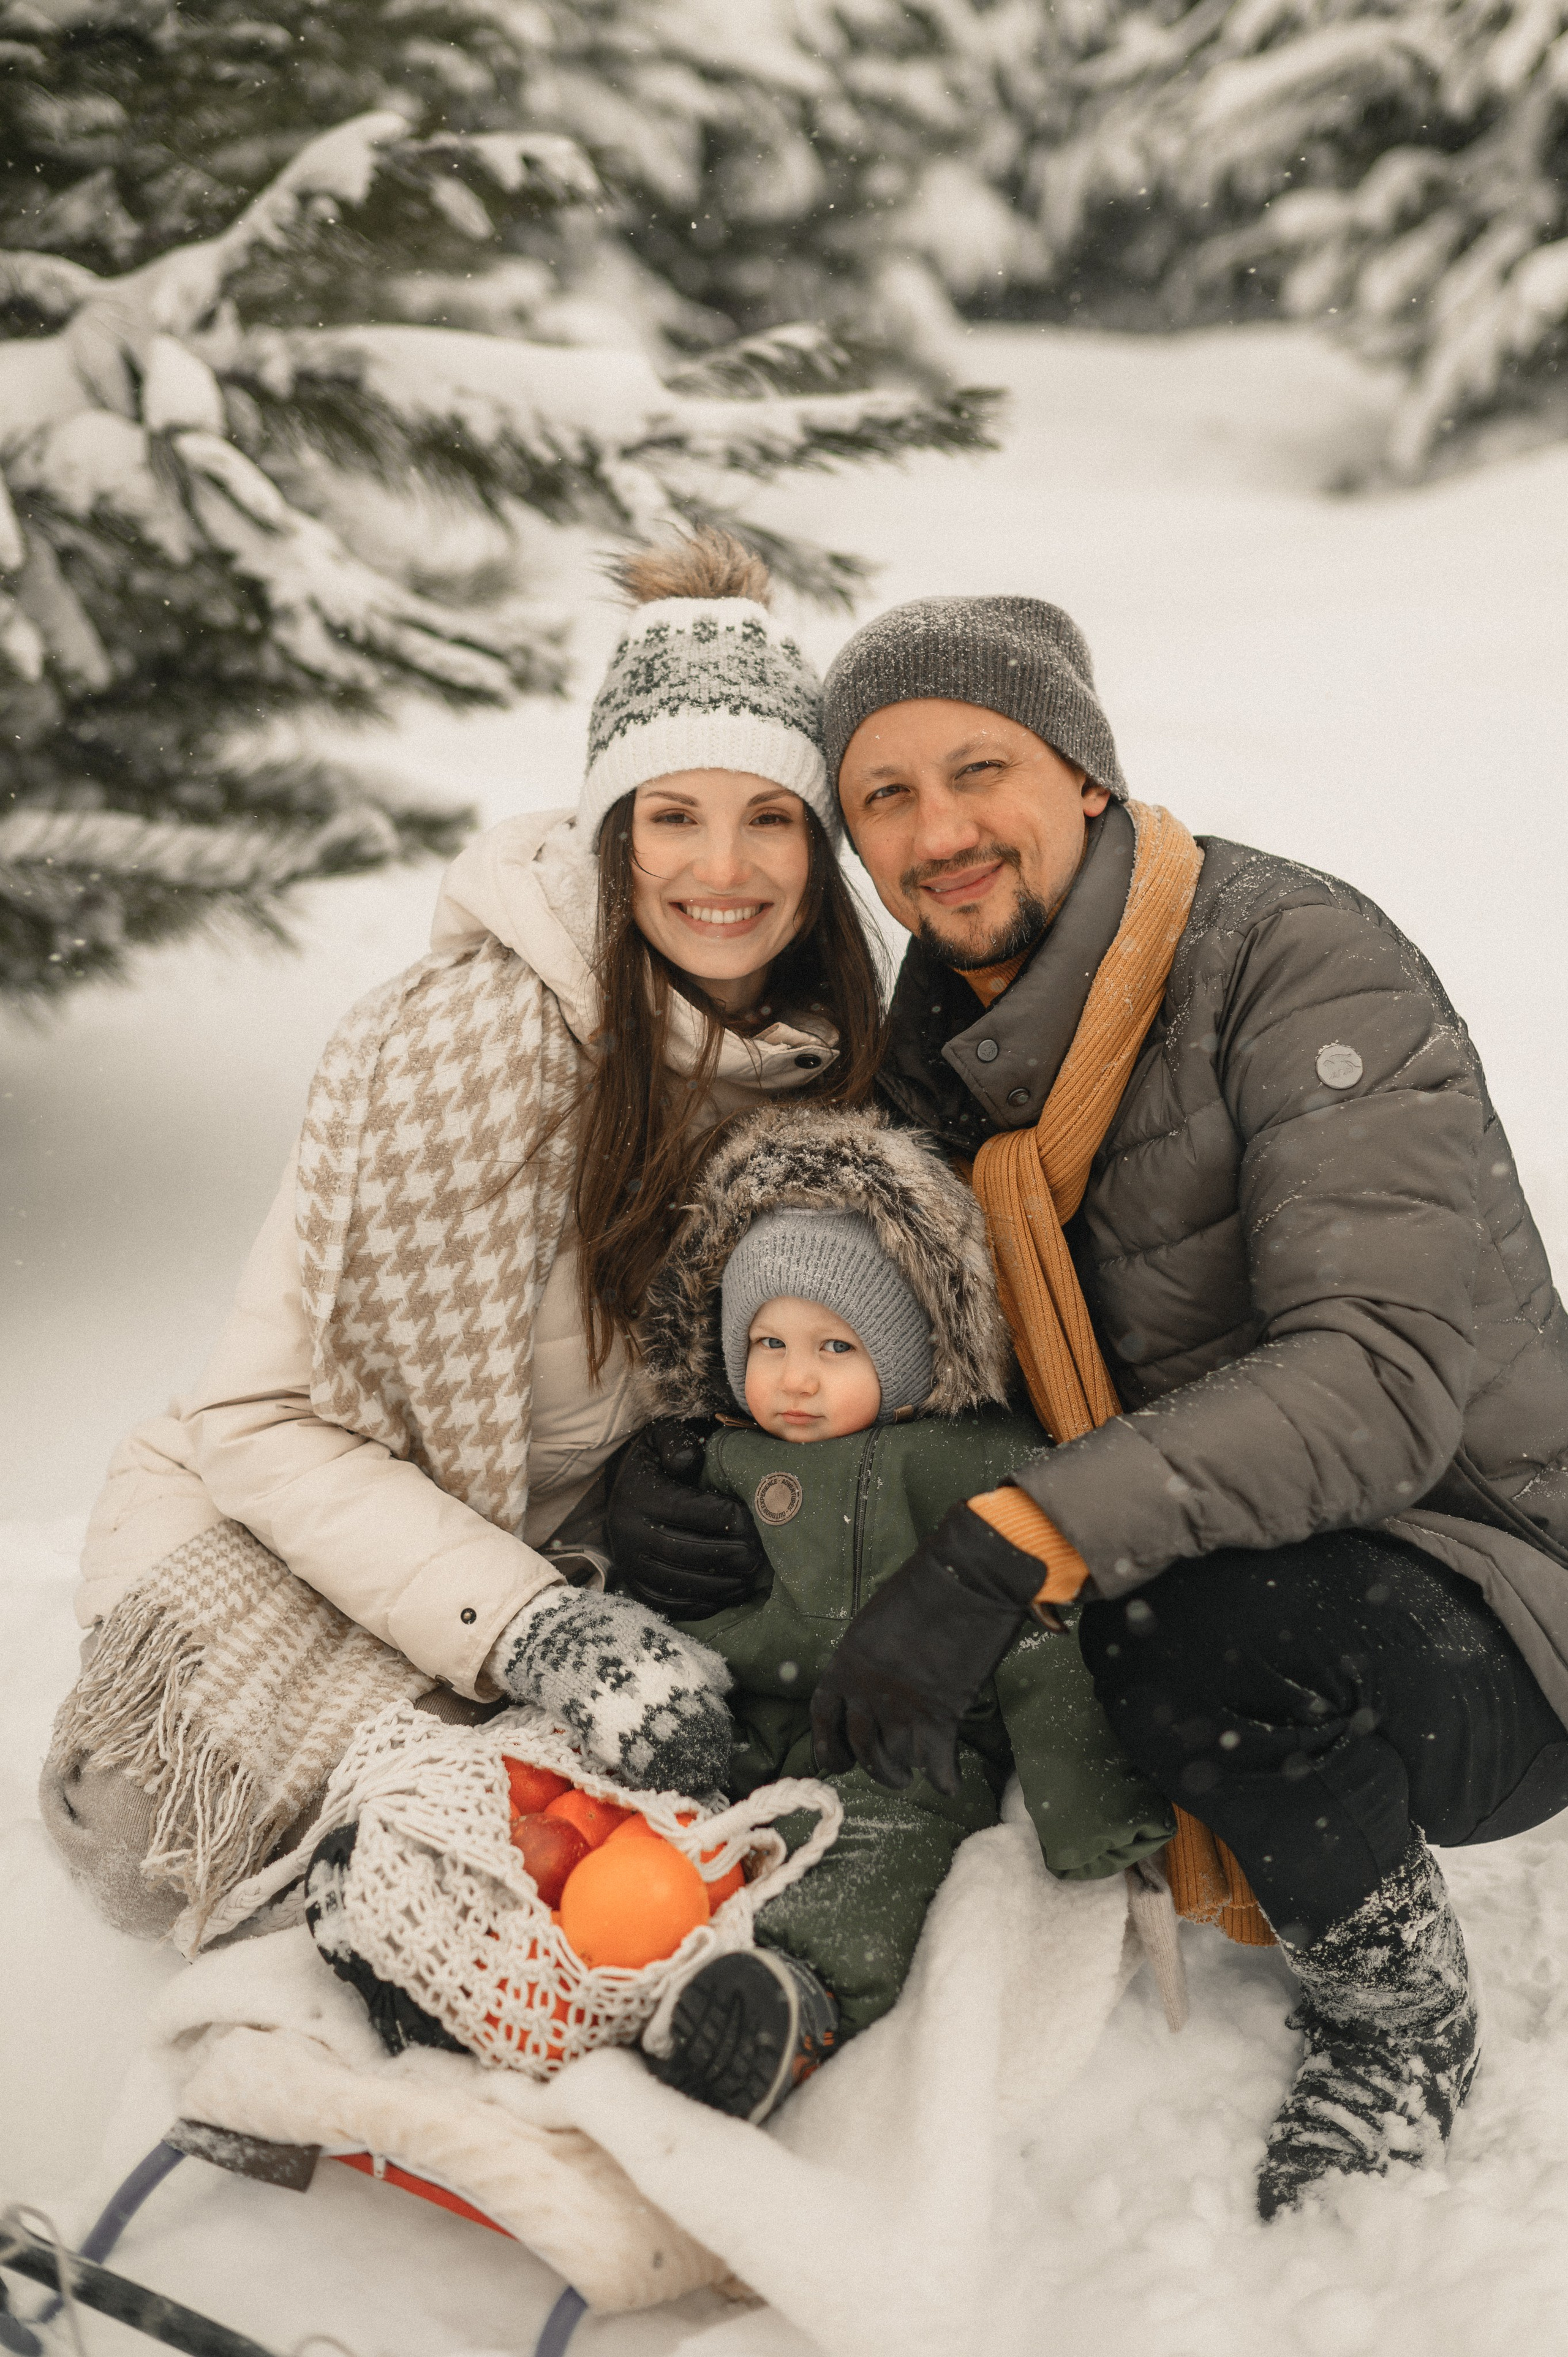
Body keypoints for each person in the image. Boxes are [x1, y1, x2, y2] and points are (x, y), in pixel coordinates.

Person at [612, 593, 1568, 2217]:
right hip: (1199, 1526)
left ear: (1091, 782)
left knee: (1177, 1623)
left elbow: (1384, 1375)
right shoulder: (943, 1055)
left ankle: (1395, 2009)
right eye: (885, 798)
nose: (940, 831)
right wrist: (692, 1447)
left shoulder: (1296, 964)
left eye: (980, 769)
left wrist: (1020, 1538)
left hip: (1490, 1592)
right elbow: (852, 1298)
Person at [39, 530, 885, 1950]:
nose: (722, 870)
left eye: (769, 819)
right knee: (147, 1840)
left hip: (570, 1545)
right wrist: (529, 1625)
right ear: (614, 832)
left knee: (681, 1827)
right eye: (673, 816)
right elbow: (262, 1426)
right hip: (297, 1512)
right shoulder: (454, 1053)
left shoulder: (832, 1068)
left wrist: (660, 1490)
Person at [305, 1101, 1172, 2125]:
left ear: (908, 1356)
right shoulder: (709, 1454)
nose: (795, 1378)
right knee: (567, 1761)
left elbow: (1042, 1629)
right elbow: (653, 1591)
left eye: (837, 1348)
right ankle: (435, 1881)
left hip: (893, 1746)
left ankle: (780, 1996)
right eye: (768, 1341)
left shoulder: (976, 1465)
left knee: (881, 1859)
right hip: (716, 1723)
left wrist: (1096, 1806)